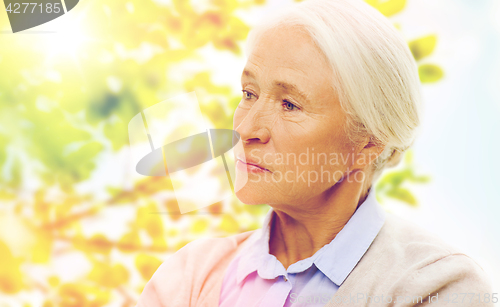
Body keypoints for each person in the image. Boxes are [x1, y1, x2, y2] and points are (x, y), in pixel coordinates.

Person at [135, 0, 493, 306]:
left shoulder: (438, 285)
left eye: (290, 104)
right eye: (248, 93)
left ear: (368, 142)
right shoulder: (191, 274)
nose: (244, 130)